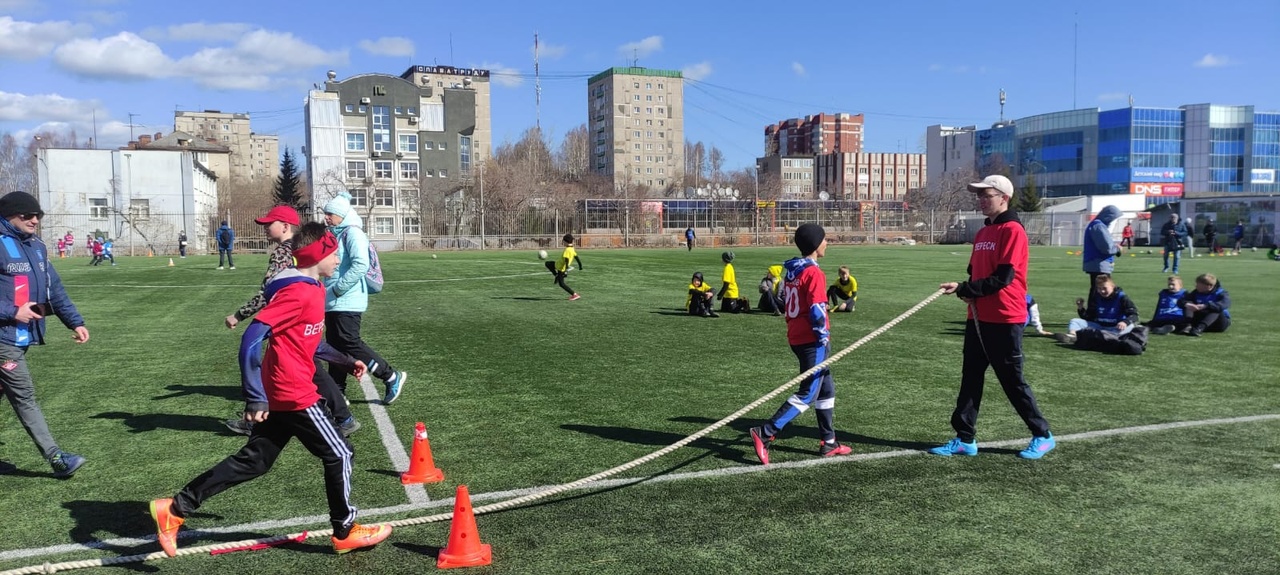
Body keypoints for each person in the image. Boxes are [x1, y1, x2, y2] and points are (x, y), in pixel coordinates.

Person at [148, 223, 392, 557]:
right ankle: (345, 530)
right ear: (317, 254)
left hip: (285, 389)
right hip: (293, 392)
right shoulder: (300, 292)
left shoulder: (315, 287)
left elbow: (309, 337)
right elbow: (252, 337)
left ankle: (175, 508)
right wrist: (254, 395)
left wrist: (345, 360)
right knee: (340, 453)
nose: (338, 258)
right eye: (334, 253)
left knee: (255, 461)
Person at [930, 175, 1054, 460]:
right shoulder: (984, 232)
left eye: (987, 195)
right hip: (978, 316)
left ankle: (1042, 434)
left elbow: (1004, 278)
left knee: (1012, 380)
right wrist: (966, 290)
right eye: (979, 195)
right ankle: (965, 438)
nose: (981, 200)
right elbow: (976, 273)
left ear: (1003, 198)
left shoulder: (1013, 231)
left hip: (1005, 317)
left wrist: (965, 288)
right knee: (971, 376)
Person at [224, 205, 360, 437]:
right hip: (290, 345)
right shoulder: (308, 285)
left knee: (337, 453)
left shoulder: (302, 274)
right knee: (259, 457)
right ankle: (341, 417)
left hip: (290, 341)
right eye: (334, 255)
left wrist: (239, 314)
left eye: (270, 224)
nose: (266, 228)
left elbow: (268, 293)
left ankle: (341, 417)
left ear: (286, 226)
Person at [0, 191, 90, 478]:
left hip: (21, 336)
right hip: (4, 339)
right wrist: (11, 311)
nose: (35, 220)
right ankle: (57, 458)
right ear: (8, 215)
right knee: (24, 397)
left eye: (38, 215)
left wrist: (74, 321)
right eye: (27, 215)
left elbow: (56, 290)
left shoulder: (37, 247)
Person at [748, 223, 853, 464]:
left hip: (796, 335)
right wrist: (822, 335)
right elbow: (817, 309)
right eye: (825, 239)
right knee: (807, 393)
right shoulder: (814, 272)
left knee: (826, 389)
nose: (827, 243)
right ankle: (765, 432)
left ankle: (828, 442)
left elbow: (787, 300)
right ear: (816, 245)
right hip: (811, 340)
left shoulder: (792, 270)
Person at [323, 192, 408, 404]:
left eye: (330, 214)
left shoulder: (353, 233)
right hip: (333, 300)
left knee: (350, 342)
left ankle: (390, 375)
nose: (326, 217)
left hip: (347, 299)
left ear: (341, 215)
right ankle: (337, 391)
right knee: (334, 346)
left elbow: (360, 264)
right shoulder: (335, 233)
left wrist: (339, 289)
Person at [1054, 274, 1139, 344]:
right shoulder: (1096, 297)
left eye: (1105, 288)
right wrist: (1081, 308)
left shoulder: (1122, 297)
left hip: (1115, 328)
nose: (1102, 291)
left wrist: (1125, 322)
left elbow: (1134, 315)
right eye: (1099, 288)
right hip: (1100, 327)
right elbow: (1089, 317)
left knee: (1130, 326)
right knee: (1074, 321)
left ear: (1112, 286)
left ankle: (1104, 338)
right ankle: (1073, 336)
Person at [1083, 205, 1122, 293]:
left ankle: (1095, 307)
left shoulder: (1096, 225)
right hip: (1099, 264)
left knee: (1097, 291)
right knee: (1101, 291)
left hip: (1096, 263)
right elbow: (1107, 248)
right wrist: (1117, 249)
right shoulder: (1099, 226)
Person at [544, 233, 583, 300]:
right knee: (547, 263)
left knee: (562, 284)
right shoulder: (572, 249)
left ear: (565, 241)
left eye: (563, 241)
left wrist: (566, 269)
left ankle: (574, 294)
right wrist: (580, 265)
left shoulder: (567, 250)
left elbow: (566, 260)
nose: (563, 242)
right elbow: (576, 257)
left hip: (561, 269)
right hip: (557, 265)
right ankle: (556, 275)